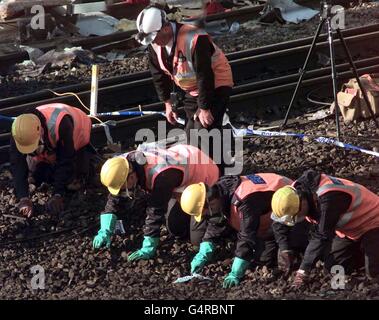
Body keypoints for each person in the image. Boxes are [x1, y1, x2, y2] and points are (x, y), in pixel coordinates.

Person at [135, 6, 234, 173]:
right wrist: (168, 104)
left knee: (205, 130)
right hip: (194, 88)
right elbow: (158, 75)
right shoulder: (155, 46)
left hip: (216, 84)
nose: (154, 42)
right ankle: (202, 170)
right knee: (191, 134)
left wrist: (204, 107)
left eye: (154, 37)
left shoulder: (194, 38)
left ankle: (218, 174)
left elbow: (205, 74)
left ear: (166, 27)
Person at [180, 173, 309, 288]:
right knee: (264, 259)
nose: (207, 215)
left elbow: (247, 236)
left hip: (294, 210)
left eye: (206, 212)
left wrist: (235, 272)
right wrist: (204, 252)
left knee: (291, 250)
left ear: (210, 202)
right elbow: (217, 223)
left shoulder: (244, 201)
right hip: (267, 219)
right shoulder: (221, 192)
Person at [92, 144, 220, 258]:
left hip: (203, 176)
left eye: (122, 188)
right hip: (181, 167)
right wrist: (105, 230)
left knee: (197, 240)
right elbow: (114, 199)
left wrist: (149, 246)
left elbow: (156, 210)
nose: (121, 191)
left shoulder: (161, 176)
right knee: (176, 229)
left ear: (131, 176)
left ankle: (219, 215)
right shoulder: (123, 163)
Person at [271, 169, 379, 287]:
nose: (298, 218)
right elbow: (278, 222)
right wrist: (285, 249)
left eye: (298, 215)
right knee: (334, 267)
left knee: (373, 274)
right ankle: (361, 255)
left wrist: (303, 270)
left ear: (303, 203)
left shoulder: (328, 198)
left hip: (373, 221)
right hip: (349, 230)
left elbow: (322, 235)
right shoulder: (292, 192)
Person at [10, 103, 93, 218]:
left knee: (71, 183)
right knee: (34, 174)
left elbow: (66, 159)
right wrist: (23, 198)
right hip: (48, 141)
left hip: (78, 131)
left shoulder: (62, 124)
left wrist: (58, 193)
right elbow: (17, 164)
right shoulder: (19, 132)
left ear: (41, 132)